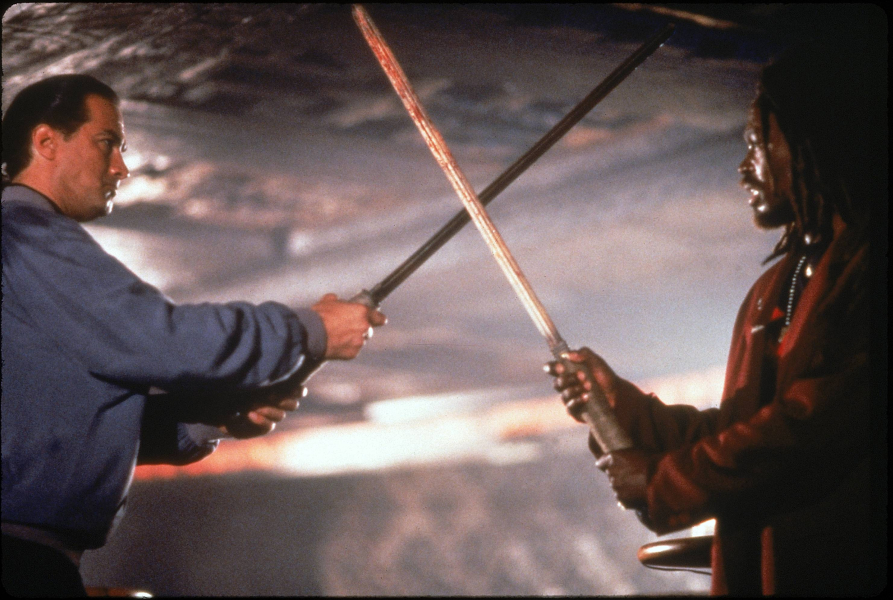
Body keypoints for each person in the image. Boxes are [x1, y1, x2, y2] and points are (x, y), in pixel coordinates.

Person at [1, 74, 387, 596]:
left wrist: (214, 414)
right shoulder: (27, 234)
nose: (120, 167)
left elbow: (57, 429)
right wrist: (308, 331)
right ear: (46, 141)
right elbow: (158, 339)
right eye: (106, 142)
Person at [547, 14, 886, 597]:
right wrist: (622, 407)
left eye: (756, 144)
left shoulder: (869, 269)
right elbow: (737, 431)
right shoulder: (776, 285)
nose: (744, 168)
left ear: (813, 141)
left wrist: (662, 482)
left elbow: (810, 434)